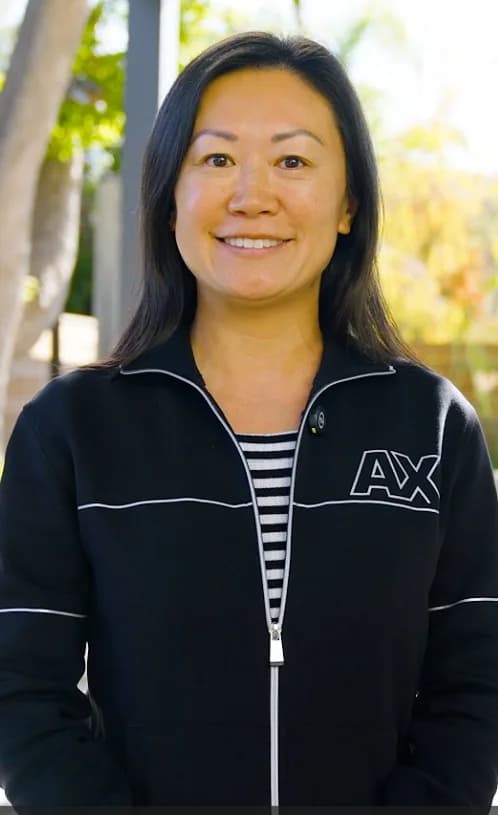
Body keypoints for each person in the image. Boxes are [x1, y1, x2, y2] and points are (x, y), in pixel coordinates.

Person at [0, 30, 498, 809]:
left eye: (293, 161)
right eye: (217, 159)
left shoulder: (435, 430)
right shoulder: (70, 430)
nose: (251, 194)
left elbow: (476, 690)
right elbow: (21, 691)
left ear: (348, 205)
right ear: (171, 200)